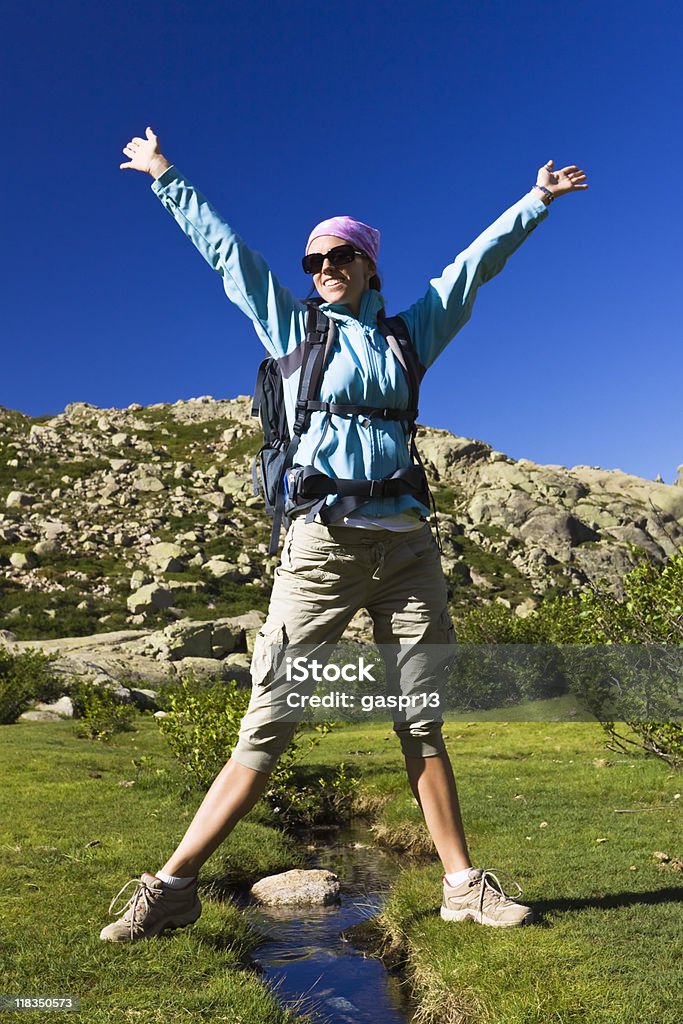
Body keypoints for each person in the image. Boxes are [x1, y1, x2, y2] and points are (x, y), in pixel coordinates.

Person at [100, 127, 588, 942]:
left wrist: (534, 202)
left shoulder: (408, 335)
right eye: (313, 261)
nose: (322, 269)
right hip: (320, 548)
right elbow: (226, 253)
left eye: (337, 258)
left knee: (420, 713)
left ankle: (461, 885)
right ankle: (173, 884)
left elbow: (472, 268)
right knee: (272, 717)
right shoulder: (290, 328)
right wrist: (163, 174)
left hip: (407, 549)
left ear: (368, 266)